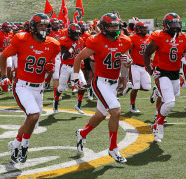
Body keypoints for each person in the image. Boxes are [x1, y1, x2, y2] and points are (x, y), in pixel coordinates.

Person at [0, 13, 60, 163]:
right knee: (33, 115)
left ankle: (14, 144)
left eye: (46, 25)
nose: (44, 28)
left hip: (38, 87)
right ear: (33, 27)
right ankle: (24, 147)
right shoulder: (22, 39)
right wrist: (4, 76)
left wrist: (50, 70)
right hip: (22, 85)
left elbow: (49, 67)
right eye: (41, 25)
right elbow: (3, 56)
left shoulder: (53, 44)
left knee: (32, 121)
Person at [73, 13, 132, 164]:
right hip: (100, 82)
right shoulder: (96, 40)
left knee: (100, 115)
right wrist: (75, 78)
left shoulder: (125, 40)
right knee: (116, 111)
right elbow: (79, 57)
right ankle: (113, 148)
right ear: (104, 28)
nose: (115, 29)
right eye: (111, 26)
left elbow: (125, 62)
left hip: (113, 83)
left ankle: (82, 133)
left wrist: (125, 75)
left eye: (116, 26)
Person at [143, 13, 186, 142]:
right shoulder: (159, 37)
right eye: (173, 25)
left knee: (173, 96)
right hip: (162, 72)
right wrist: (150, 70)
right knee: (170, 102)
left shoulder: (185, 38)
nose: (175, 28)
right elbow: (147, 54)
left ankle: (156, 121)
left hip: (175, 73)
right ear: (166, 26)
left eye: (177, 25)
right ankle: (158, 124)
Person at [53, 23, 86, 114]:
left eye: (79, 34)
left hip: (75, 68)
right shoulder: (64, 40)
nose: (78, 36)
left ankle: (78, 105)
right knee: (61, 88)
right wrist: (71, 48)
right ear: (70, 33)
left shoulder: (81, 40)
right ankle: (55, 102)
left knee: (82, 85)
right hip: (66, 68)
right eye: (75, 33)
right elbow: (64, 57)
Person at [128, 21, 151, 113]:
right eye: (143, 28)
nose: (145, 30)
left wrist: (150, 59)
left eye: (145, 28)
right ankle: (132, 106)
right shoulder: (132, 38)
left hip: (144, 66)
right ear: (137, 29)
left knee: (147, 88)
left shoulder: (148, 37)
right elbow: (126, 50)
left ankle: (130, 86)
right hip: (135, 65)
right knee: (136, 87)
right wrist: (129, 59)